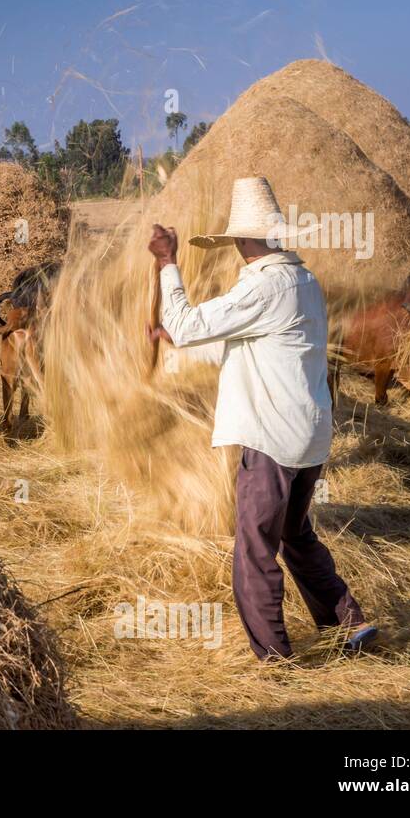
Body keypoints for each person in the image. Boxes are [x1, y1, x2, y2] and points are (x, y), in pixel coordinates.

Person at [146, 176, 377, 661]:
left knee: (254, 549)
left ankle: (274, 656)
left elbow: (190, 326)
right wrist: (175, 341)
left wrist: (169, 264)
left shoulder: (265, 285)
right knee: (296, 535)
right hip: (309, 437)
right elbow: (246, 348)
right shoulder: (303, 281)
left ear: (243, 240)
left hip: (272, 440)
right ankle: (349, 624)